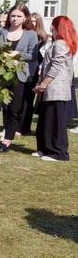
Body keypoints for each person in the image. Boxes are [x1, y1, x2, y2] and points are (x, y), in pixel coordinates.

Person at [0, 3, 39, 152]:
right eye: (13, 16)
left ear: (25, 17)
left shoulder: (30, 34)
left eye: (18, 16)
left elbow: (33, 56)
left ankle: (7, 141)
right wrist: (0, 56)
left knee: (14, 109)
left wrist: (18, 56)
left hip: (18, 76)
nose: (15, 19)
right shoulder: (0, 31)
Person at [33, 16, 76, 161]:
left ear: (56, 27)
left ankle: (58, 153)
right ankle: (45, 148)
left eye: (52, 25)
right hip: (50, 89)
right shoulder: (58, 43)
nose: (50, 28)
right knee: (46, 120)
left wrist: (43, 84)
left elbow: (55, 67)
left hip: (56, 89)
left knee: (55, 122)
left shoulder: (60, 44)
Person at [19, 12, 48, 135]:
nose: (32, 23)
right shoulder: (23, 32)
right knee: (19, 98)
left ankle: (24, 126)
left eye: (35, 21)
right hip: (23, 65)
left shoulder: (39, 36)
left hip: (33, 67)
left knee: (28, 99)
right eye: (31, 20)